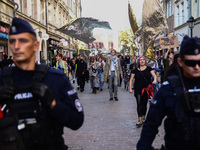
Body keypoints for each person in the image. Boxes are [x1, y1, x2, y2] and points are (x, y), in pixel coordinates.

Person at [0, 17, 84, 150]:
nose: (16, 46)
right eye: (12, 41)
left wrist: (53, 103)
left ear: (36, 45)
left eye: (23, 41)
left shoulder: (55, 78)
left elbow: (77, 121)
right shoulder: (3, 78)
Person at [137, 36, 200, 150]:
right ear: (180, 62)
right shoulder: (168, 89)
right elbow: (151, 124)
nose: (196, 67)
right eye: (191, 62)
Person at [129, 56, 156, 127]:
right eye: (140, 60)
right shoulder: (135, 70)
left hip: (146, 89)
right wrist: (130, 88)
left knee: (144, 104)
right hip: (138, 89)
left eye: (143, 60)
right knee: (139, 103)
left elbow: (154, 75)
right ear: (138, 62)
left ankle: (143, 117)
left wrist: (155, 80)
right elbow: (131, 79)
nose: (142, 61)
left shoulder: (149, 68)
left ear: (145, 61)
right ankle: (139, 119)